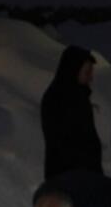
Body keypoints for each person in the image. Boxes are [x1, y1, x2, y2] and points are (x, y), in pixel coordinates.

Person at [41, 45, 102, 179]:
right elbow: (65, 143)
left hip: (83, 176)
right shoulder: (60, 97)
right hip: (69, 178)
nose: (91, 77)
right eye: (87, 72)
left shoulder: (79, 96)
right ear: (73, 70)